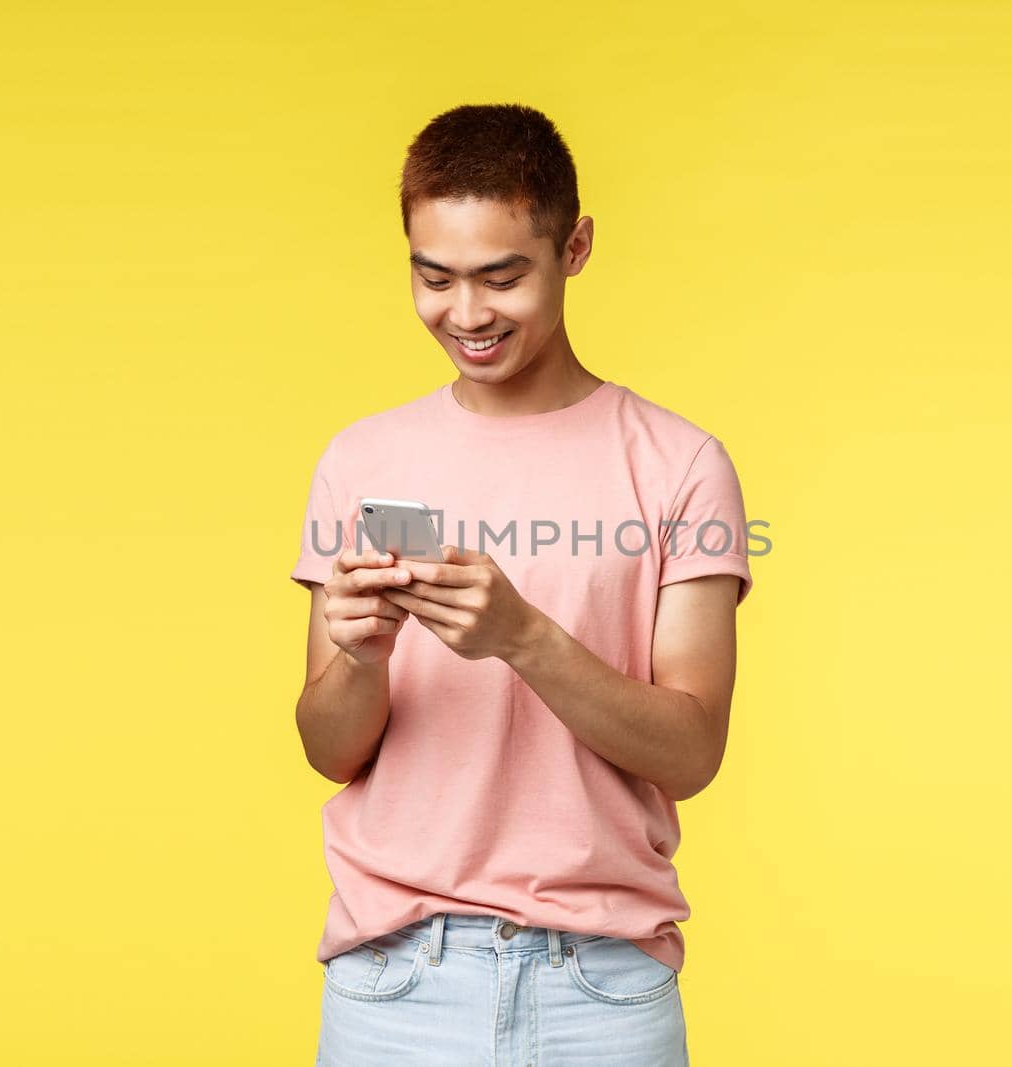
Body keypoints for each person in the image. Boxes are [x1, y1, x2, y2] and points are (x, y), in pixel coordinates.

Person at [290, 102, 754, 1066]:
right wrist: (362, 659)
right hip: (395, 986)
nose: (466, 314)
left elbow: (693, 752)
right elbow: (330, 748)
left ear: (573, 247)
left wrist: (524, 636)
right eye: (434, 277)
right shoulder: (362, 458)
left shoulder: (678, 465)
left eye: (503, 276)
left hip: (601, 989)